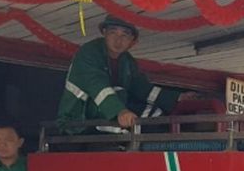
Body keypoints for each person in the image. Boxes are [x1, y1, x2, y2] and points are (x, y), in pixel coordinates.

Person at [58, 15, 195, 133]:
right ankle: (125, 136)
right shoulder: (89, 53)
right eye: (113, 33)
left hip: (109, 117)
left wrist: (178, 98)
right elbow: (99, 88)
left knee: (155, 112)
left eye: (125, 35)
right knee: (119, 94)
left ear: (133, 41)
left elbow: (144, 90)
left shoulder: (127, 61)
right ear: (104, 32)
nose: (118, 40)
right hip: (78, 122)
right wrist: (120, 112)